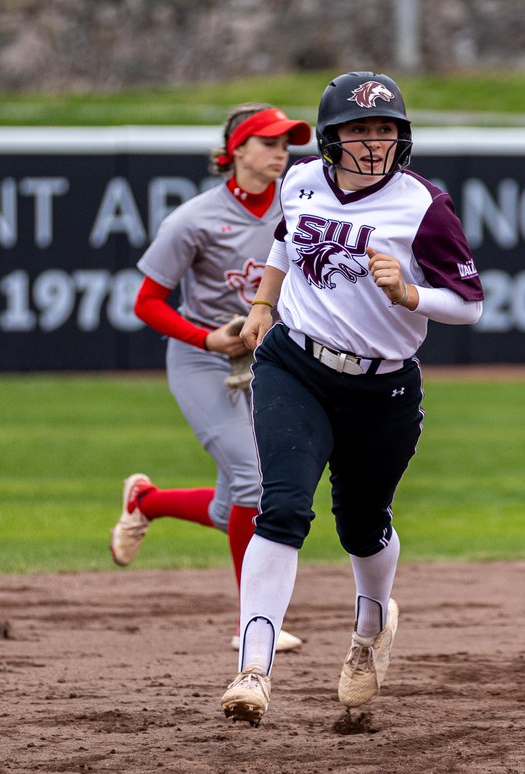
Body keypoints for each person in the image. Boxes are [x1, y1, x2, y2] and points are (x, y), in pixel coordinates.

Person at [218, 71, 485, 725]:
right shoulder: (303, 179)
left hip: (382, 385)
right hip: (295, 365)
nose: (373, 142)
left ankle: (368, 636)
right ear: (331, 138)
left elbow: (469, 305)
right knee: (282, 507)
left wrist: (410, 294)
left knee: (361, 526)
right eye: (359, 129)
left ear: (403, 137)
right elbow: (285, 239)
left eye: (385, 129)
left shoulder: (423, 204)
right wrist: (263, 305)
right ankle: (253, 671)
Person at [109, 103, 312, 653]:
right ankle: (255, 623)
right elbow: (147, 302)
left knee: (233, 508)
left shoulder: (300, 208)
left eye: (286, 143)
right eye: (268, 142)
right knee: (254, 483)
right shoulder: (193, 219)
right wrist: (205, 339)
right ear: (237, 149)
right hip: (203, 359)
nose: (280, 152)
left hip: (267, 361)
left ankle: (145, 502)